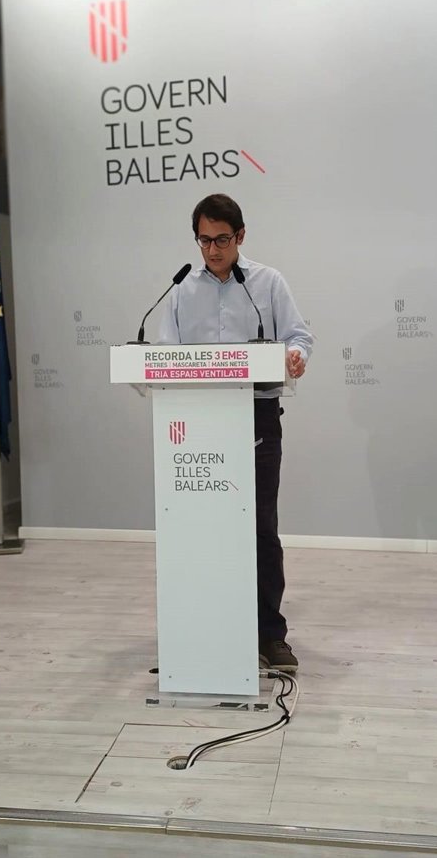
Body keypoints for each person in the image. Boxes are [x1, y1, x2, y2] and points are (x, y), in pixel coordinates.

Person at [159, 193, 313, 673]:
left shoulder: (267, 282)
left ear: (241, 236)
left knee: (260, 527)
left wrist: (295, 357)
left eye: (221, 239)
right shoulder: (181, 290)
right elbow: (163, 354)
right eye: (204, 240)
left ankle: (270, 634)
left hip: (256, 416)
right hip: (198, 423)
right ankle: (206, 628)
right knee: (202, 528)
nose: (212, 250)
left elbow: (299, 336)